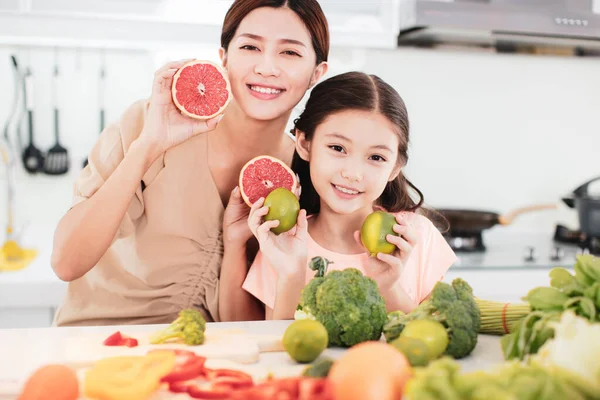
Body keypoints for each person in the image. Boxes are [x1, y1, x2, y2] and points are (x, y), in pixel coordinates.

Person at [50, 0, 329, 326]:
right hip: (100, 347)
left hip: (208, 361)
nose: (267, 67)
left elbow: (250, 323)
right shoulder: (148, 122)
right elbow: (66, 263)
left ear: (317, 73)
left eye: (290, 53)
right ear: (224, 57)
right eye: (250, 46)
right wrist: (149, 146)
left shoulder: (306, 172)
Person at [241, 71, 457, 320]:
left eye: (376, 157)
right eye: (337, 148)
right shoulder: (281, 243)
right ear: (304, 143)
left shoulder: (416, 236)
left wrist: (388, 287)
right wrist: (291, 274)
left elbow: (432, 342)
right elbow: (281, 351)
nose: (353, 173)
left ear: (395, 167)